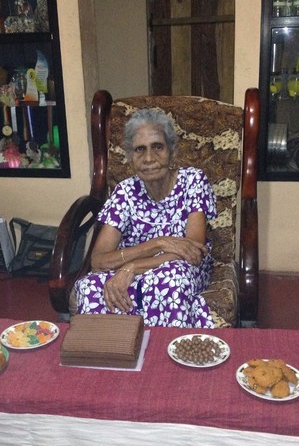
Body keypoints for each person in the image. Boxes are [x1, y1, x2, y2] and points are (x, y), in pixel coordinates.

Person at [74, 108, 217, 327]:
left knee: (169, 282)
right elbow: (99, 261)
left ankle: (162, 347)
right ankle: (115, 346)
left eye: (157, 147)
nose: (149, 158)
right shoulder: (125, 192)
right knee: (90, 286)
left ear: (171, 151)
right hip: (132, 270)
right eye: (139, 149)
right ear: (130, 157)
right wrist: (158, 243)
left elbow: (193, 251)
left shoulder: (193, 181)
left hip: (177, 269)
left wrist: (132, 268)